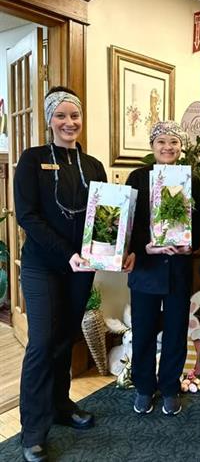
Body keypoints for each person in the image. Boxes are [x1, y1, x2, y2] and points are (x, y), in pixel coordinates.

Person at [14, 86, 107, 462]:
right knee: (41, 342)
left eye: (75, 115)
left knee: (65, 338)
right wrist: (68, 253)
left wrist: (113, 250)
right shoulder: (32, 160)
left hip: (80, 268)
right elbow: (28, 216)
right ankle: (33, 430)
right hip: (43, 265)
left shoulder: (94, 166)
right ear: (50, 120)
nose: (70, 122)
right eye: (61, 115)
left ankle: (61, 406)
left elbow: (106, 217)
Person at [125, 121, 200, 417]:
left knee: (175, 330)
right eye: (161, 142)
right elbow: (128, 223)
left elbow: (198, 224)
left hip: (178, 268)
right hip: (145, 268)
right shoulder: (137, 178)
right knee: (143, 330)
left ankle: (170, 387)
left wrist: (189, 246)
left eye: (174, 142)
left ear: (181, 147)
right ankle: (144, 387)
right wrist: (143, 246)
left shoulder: (190, 179)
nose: (168, 147)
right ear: (152, 146)